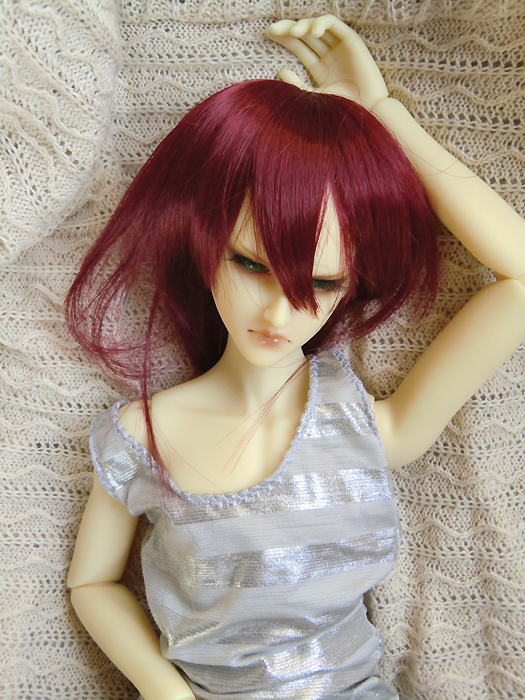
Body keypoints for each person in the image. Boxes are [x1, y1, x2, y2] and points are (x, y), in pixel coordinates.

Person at [66, 15, 525, 700]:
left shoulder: (363, 427)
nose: (280, 314)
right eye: (252, 265)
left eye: (322, 283)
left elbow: (518, 275)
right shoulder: (139, 439)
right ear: (204, 241)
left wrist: (380, 118)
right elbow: (92, 583)